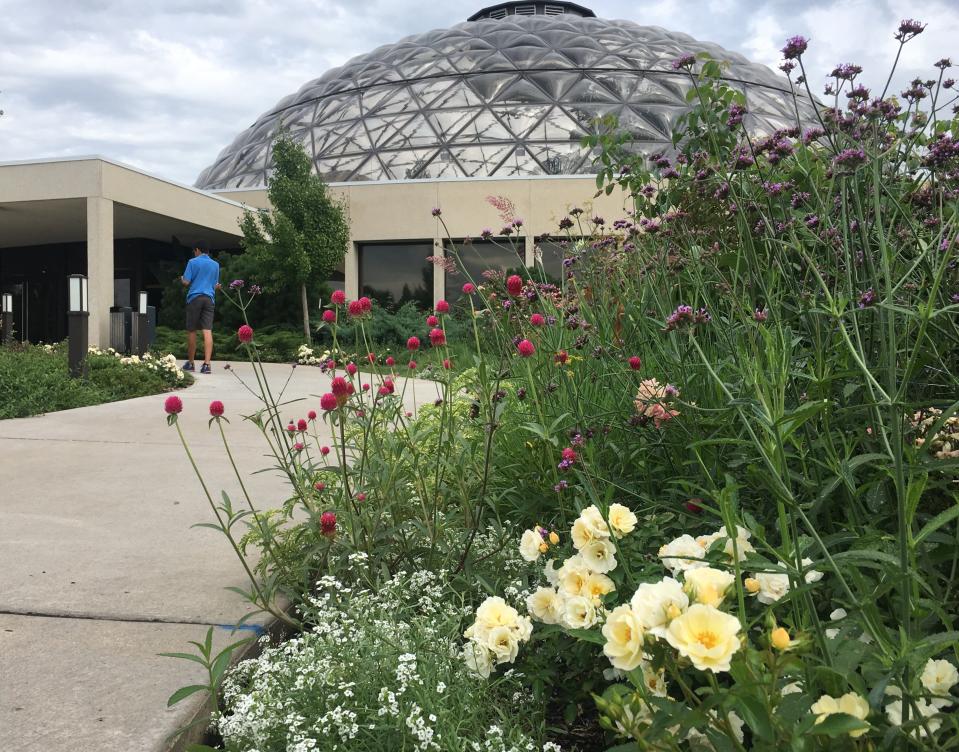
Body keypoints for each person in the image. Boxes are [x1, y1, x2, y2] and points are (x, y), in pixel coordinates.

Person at [180, 240, 220, 374]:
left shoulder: (192, 262)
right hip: (209, 299)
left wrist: (182, 279)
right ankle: (207, 365)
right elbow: (215, 285)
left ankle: (191, 363)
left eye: (194, 251)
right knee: (207, 330)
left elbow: (186, 282)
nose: (194, 253)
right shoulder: (215, 265)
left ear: (197, 250)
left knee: (192, 330)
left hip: (195, 298)